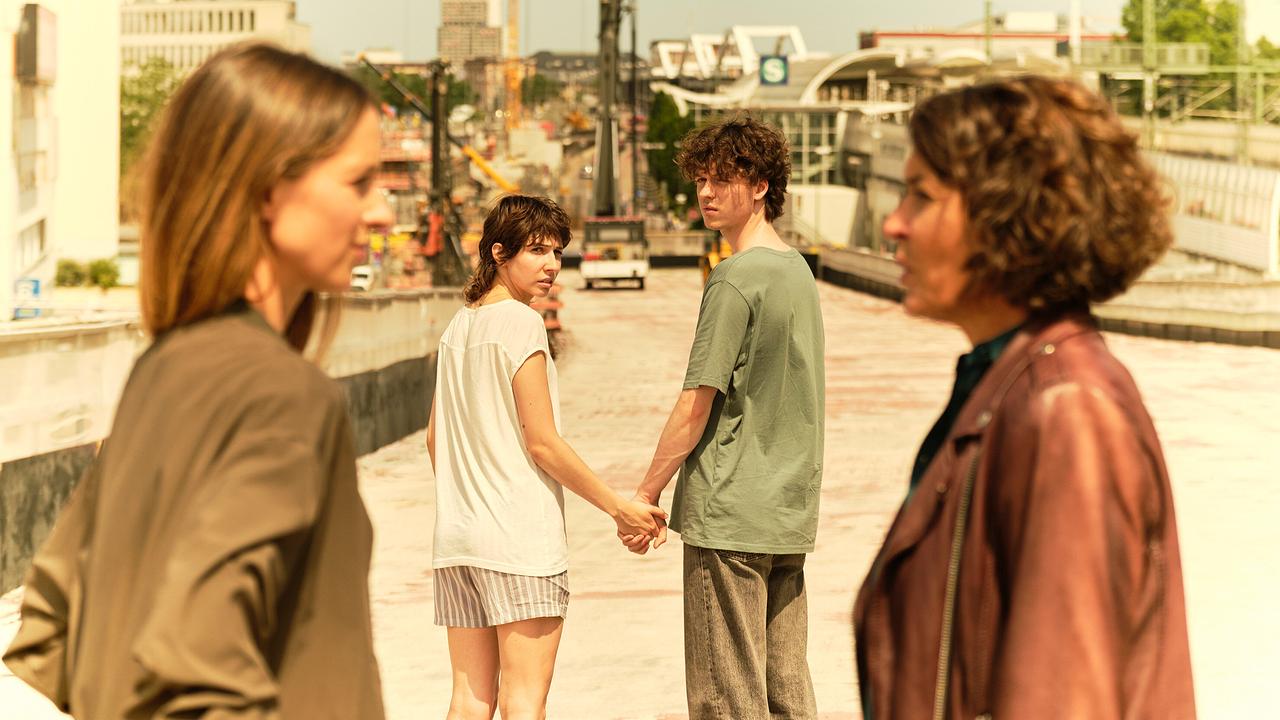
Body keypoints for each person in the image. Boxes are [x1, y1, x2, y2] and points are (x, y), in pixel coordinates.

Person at [3, 43, 391, 718]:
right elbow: (196, 673)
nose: (383, 211)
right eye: (359, 184)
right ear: (272, 189)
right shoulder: (282, 392)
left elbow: (51, 631)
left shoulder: (164, 370)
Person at [853, 76, 1196, 719]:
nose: (894, 224)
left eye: (921, 197)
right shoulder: (1007, 386)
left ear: (1005, 214)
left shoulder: (1066, 410)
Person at [427, 194, 666, 720]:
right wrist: (619, 509)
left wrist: (470, 496)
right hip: (519, 544)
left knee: (469, 701)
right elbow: (542, 442)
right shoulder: (520, 323)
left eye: (557, 251)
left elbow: (434, 442)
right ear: (498, 253)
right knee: (524, 699)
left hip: (459, 541)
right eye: (536, 251)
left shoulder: (458, 329)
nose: (552, 265)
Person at [622, 115, 826, 719]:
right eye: (700, 181)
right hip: (788, 511)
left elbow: (697, 400)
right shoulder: (799, 273)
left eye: (720, 180)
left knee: (726, 698)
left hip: (731, 511)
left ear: (761, 185)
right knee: (786, 689)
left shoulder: (735, 279)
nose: (705, 194)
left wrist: (646, 491)